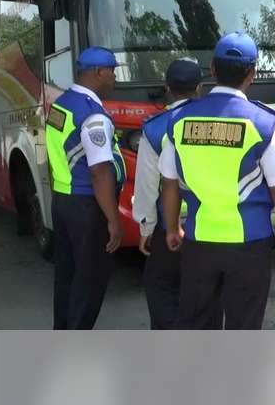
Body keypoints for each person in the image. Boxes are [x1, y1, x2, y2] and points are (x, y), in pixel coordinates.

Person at [158, 32, 275, 329]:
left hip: (198, 243)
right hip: (249, 247)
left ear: (213, 70)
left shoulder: (179, 121)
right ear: (252, 74)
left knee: (197, 327)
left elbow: (169, 183)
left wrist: (172, 227)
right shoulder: (262, 122)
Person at [45, 46, 127, 329]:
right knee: (90, 279)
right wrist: (113, 220)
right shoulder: (93, 115)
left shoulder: (61, 104)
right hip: (88, 207)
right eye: (112, 71)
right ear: (98, 72)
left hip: (63, 200)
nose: (114, 77)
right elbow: (100, 171)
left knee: (67, 275)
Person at [133, 58, 208, 329]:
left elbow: (147, 185)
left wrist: (146, 227)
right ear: (199, 88)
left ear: (167, 87)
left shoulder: (155, 129)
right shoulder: (217, 121)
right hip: (214, 229)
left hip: (172, 231)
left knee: (162, 288)